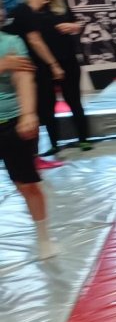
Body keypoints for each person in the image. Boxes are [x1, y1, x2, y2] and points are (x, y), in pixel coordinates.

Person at [6, 0, 91, 156]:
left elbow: (76, 23)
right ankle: (53, 142)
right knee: (46, 105)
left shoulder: (59, 1)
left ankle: (84, 138)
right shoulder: (24, 7)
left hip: (67, 58)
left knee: (74, 99)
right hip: (40, 63)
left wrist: (73, 27)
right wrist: (32, 9)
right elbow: (17, 30)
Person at [0, 30, 56, 259]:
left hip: (10, 122)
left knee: (26, 185)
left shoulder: (10, 42)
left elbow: (23, 78)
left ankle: (43, 238)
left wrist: (28, 113)